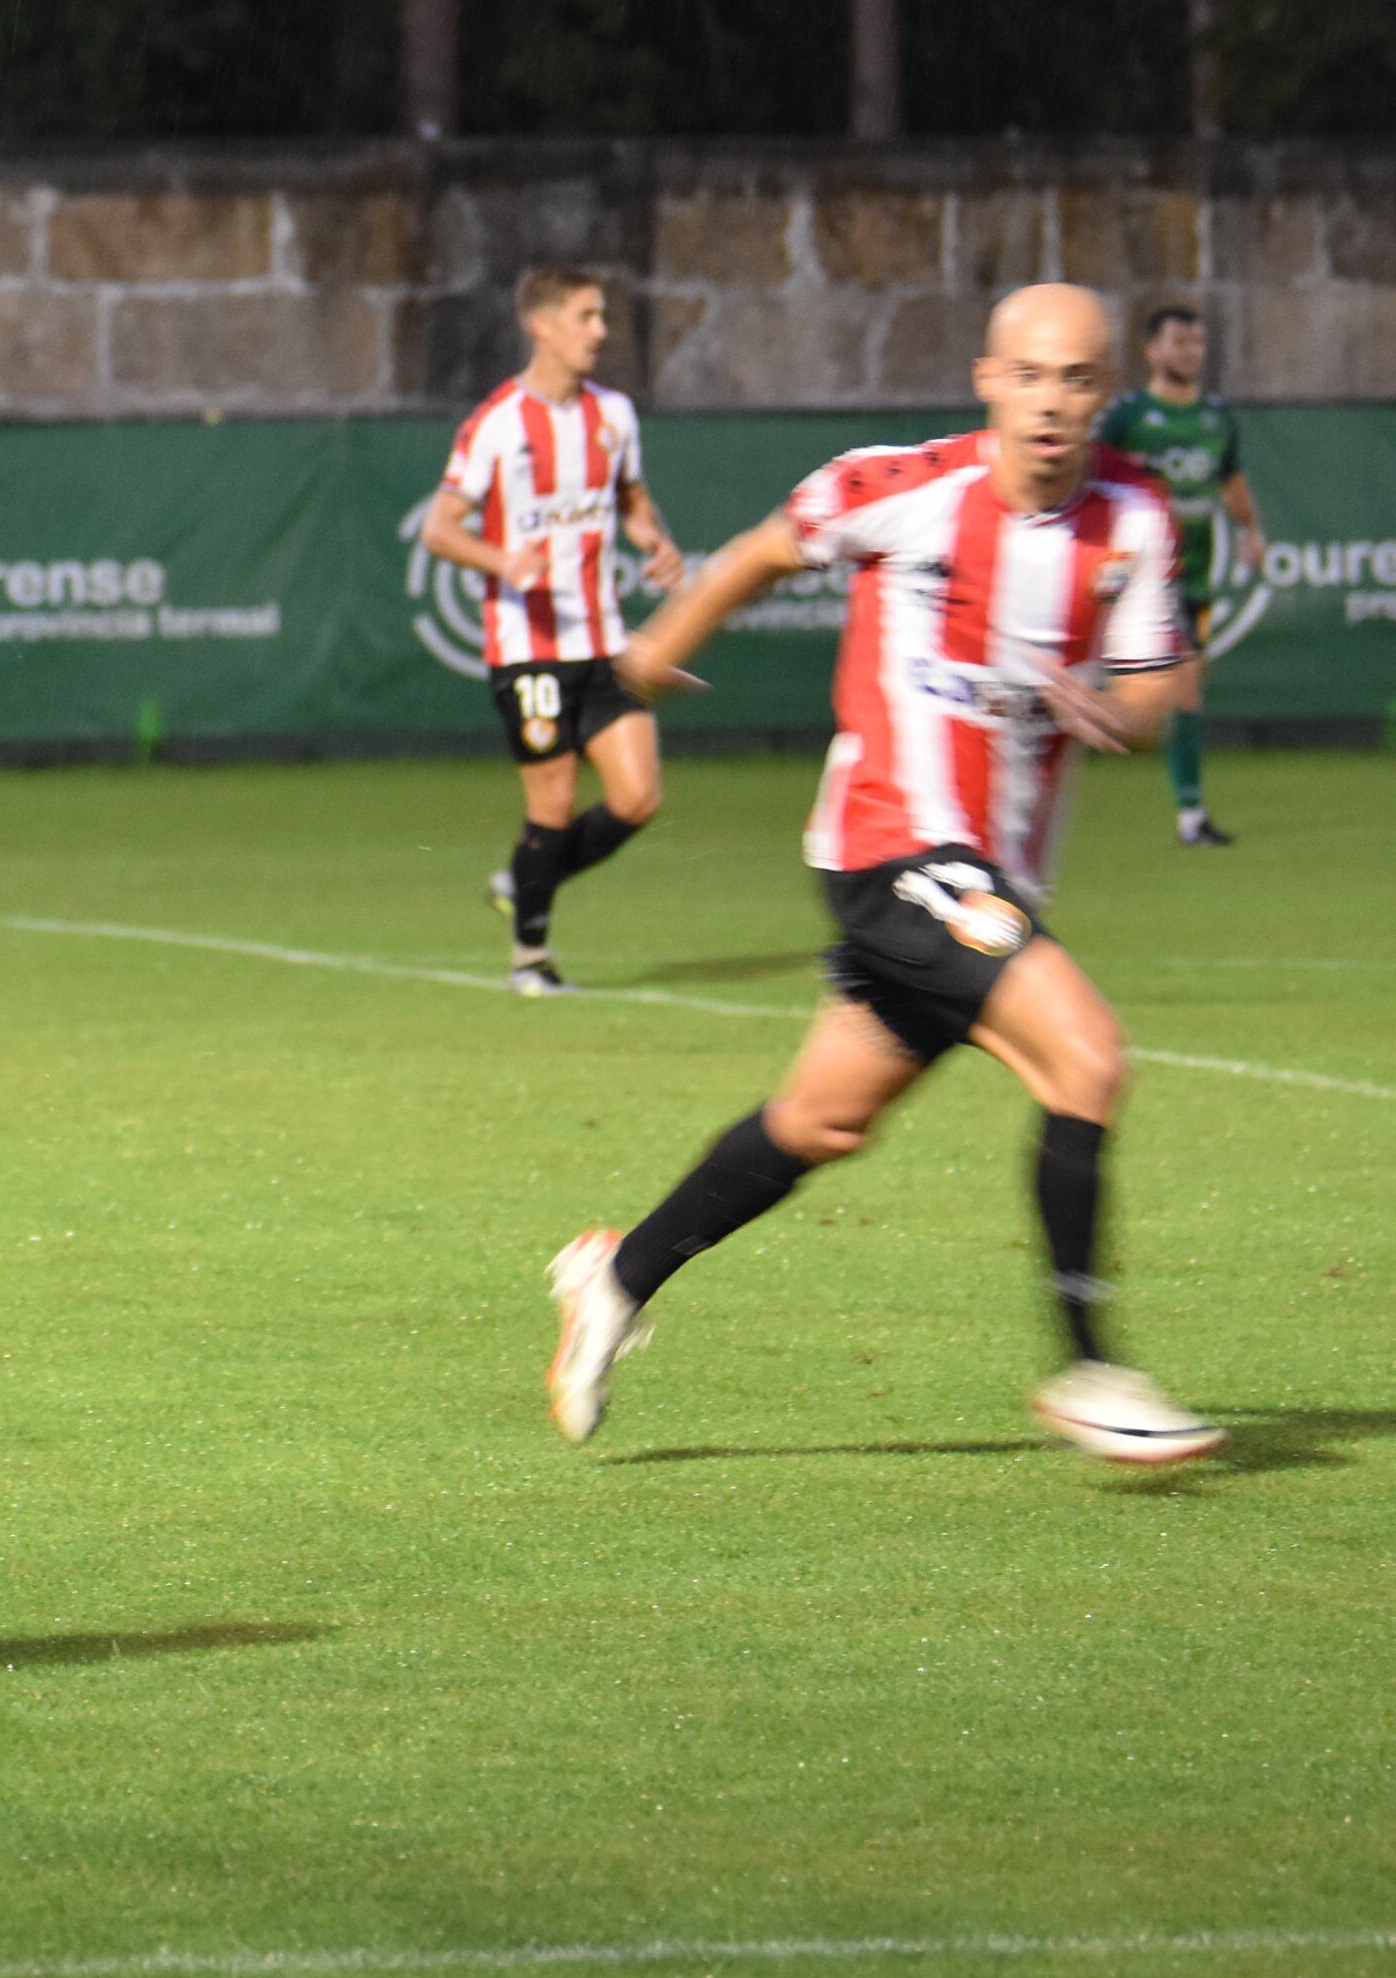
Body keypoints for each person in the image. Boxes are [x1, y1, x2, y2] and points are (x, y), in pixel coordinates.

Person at [547, 285, 1220, 1468]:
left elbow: (1164, 682)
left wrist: (1113, 705)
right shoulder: (902, 488)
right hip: (888, 842)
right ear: (987, 380)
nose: (1053, 402)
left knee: (819, 1120)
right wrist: (654, 651)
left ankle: (615, 1275)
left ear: (1102, 391)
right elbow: (766, 548)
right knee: (1088, 1055)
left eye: (1076, 380)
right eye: (1030, 376)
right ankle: (1089, 1367)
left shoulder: (1136, 512)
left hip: (995, 876)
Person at [416, 267, 684, 993]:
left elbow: (630, 495)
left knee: (637, 799)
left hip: (602, 642)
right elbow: (441, 529)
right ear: (542, 324)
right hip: (526, 648)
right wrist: (503, 558)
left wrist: (650, 538)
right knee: (555, 805)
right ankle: (530, 955)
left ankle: (525, 876)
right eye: (587, 316)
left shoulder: (614, 414)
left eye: (602, 317)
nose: (601, 330)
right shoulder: (497, 423)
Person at [1095, 303, 1263, 847]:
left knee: (1184, 691)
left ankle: (1189, 810)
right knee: (1184, 689)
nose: (1189, 352)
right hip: (1148, 572)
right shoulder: (1130, 418)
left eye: (1195, 343)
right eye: (1178, 342)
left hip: (1195, 575)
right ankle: (1192, 818)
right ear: (1152, 350)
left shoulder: (1215, 417)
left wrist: (1250, 530)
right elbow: (1094, 478)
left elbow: (1230, 480)